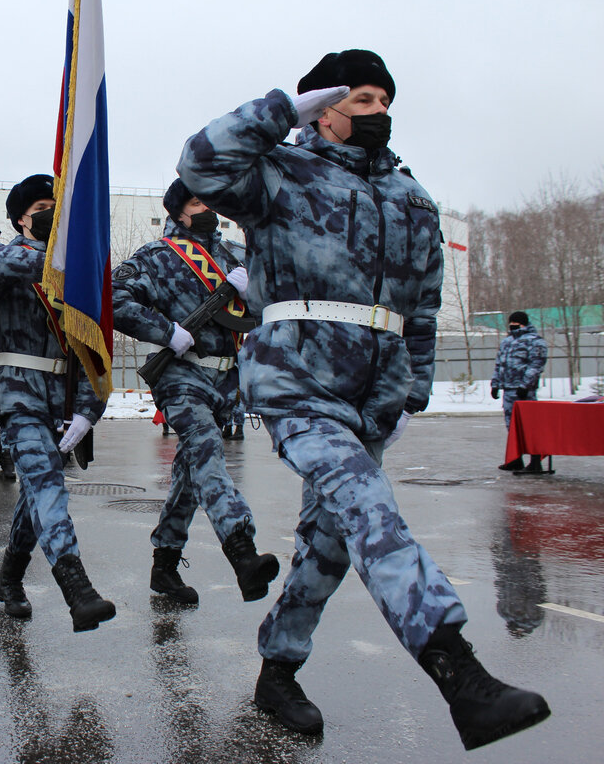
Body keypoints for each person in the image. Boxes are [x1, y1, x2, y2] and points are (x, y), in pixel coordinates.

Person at [176, 49, 549, 749]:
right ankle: (459, 673)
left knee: (332, 541)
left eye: (385, 101)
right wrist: (286, 107)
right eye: (362, 101)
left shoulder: (412, 198)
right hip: (296, 376)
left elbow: (422, 305)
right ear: (327, 108)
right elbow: (199, 164)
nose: (378, 113)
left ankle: (278, 668)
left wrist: (412, 389)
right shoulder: (279, 174)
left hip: (373, 388)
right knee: (368, 508)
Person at [112, 178, 278, 606]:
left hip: (226, 381)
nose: (207, 208)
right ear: (177, 210)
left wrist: (253, 290)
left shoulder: (234, 256)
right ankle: (242, 551)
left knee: (191, 472)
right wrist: (167, 332)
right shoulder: (157, 257)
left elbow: (270, 309)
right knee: (206, 451)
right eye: (197, 201)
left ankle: (164, 567)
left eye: (210, 200)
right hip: (181, 375)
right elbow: (112, 298)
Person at [0, 174, 113, 633]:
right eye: (41, 208)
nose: (51, 213)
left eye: (57, 206)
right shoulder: (2, 256)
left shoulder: (77, 272)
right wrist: (73, 254)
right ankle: (77, 587)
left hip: (66, 395)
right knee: (48, 481)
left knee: (37, 489)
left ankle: (10, 578)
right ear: (20, 219)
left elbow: (90, 344)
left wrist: (90, 408)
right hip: (18, 388)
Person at [491, 311, 548, 472]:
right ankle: (515, 459)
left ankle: (535, 461)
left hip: (524, 391)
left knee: (529, 426)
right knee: (512, 426)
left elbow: (536, 366)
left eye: (516, 322)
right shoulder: (507, 341)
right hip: (508, 389)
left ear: (523, 323)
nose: (512, 325)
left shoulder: (535, 342)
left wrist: (525, 385)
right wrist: (495, 384)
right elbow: (499, 365)